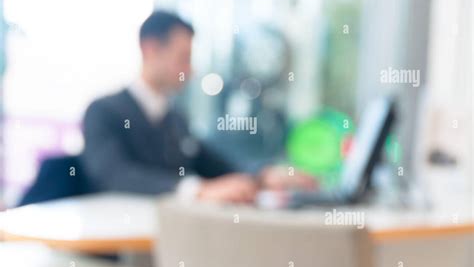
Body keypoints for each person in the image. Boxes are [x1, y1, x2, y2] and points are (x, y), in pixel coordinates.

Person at [82, 10, 315, 204]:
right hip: (116, 242)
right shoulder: (103, 112)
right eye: (183, 58)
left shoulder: (175, 118)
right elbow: (114, 175)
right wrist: (198, 190)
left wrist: (262, 175)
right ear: (150, 49)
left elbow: (213, 163)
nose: (190, 70)